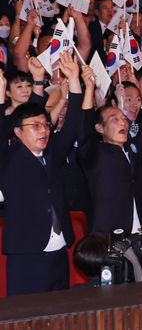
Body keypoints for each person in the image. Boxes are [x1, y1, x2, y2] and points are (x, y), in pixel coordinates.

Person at [0, 53, 82, 295]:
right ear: (17, 132)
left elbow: (74, 121)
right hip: (27, 254)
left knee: (60, 315)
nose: (43, 130)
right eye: (35, 126)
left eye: (45, 125)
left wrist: (75, 80)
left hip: (59, 251)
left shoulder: (53, 153)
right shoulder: (9, 158)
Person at [79, 58, 142, 235]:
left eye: (123, 119)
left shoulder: (133, 149)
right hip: (110, 238)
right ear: (99, 128)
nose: (123, 122)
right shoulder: (94, 154)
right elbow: (84, 129)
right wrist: (89, 90)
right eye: (114, 119)